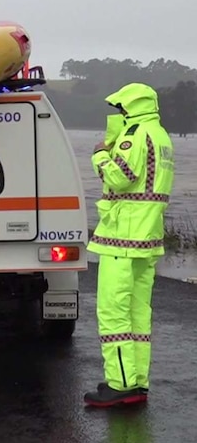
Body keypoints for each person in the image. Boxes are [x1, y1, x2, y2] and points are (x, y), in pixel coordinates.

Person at [83, 83, 174, 407]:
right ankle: (135, 382)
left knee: (113, 312)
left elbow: (120, 177)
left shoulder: (134, 134)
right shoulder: (160, 135)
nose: (118, 113)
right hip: (147, 238)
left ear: (130, 107)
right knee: (138, 316)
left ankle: (119, 384)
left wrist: (100, 154)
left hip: (123, 237)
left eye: (120, 108)